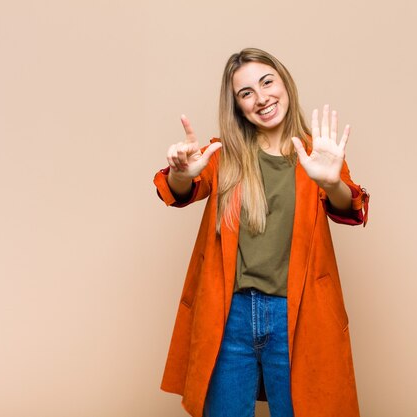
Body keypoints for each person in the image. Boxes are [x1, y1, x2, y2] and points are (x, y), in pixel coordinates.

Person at [153, 48, 368, 417]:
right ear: (238, 107)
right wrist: (181, 173)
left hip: (297, 317)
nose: (261, 97)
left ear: (284, 82)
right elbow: (182, 189)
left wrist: (332, 183)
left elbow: (349, 206)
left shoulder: (318, 155)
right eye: (246, 93)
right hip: (231, 317)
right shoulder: (224, 155)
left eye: (267, 82)